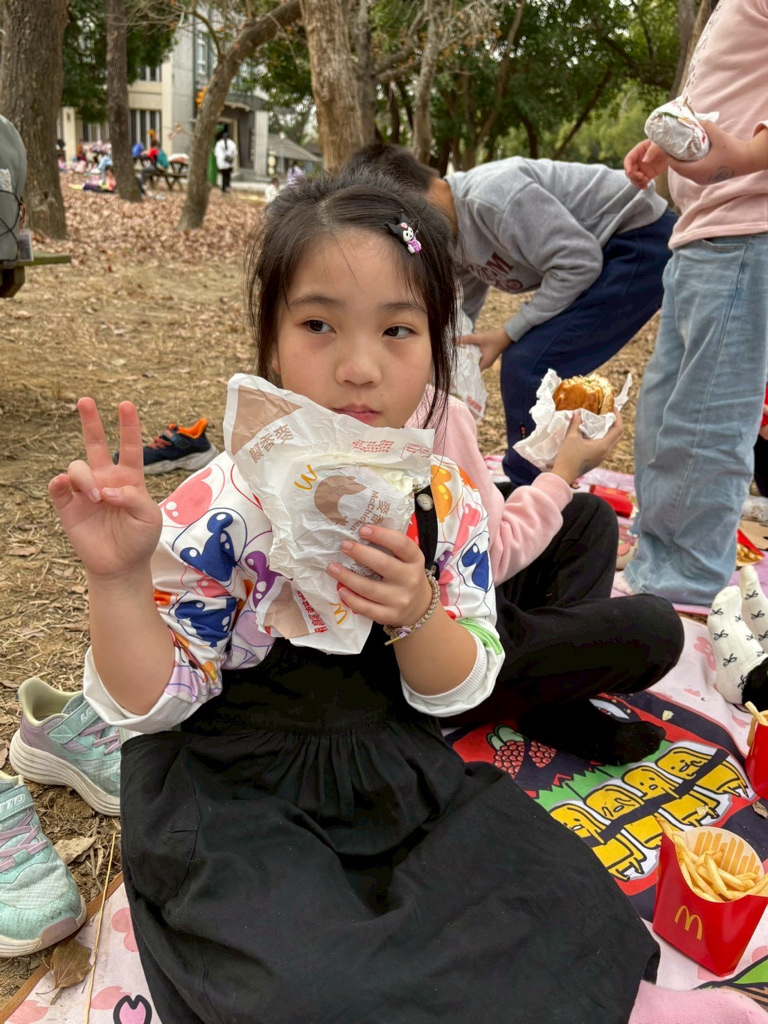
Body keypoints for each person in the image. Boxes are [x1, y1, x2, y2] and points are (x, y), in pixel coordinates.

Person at [49, 168, 663, 1023]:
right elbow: (154, 702)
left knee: (567, 909)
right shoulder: (224, 501)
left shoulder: (445, 501)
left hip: (387, 767)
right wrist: (118, 580)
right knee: (315, 992)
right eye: (318, 325)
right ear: (270, 343)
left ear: (438, 348)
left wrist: (418, 613)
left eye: (398, 330)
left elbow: (458, 687)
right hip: (230, 787)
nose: (360, 367)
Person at [345, 142, 677, 489]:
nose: (406, 240)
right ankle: (543, 475)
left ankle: (535, 489)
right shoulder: (449, 234)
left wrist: (506, 333)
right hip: (606, 253)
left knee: (527, 365)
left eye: (398, 227)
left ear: (408, 202)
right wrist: (442, 355)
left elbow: (579, 262)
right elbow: (462, 305)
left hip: (639, 240)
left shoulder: (492, 198)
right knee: (527, 363)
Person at [408, 390, 684, 763]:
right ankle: (551, 691)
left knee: (587, 516)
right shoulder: (437, 411)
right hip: (436, 670)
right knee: (657, 631)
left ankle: (555, 696)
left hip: (401, 625)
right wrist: (563, 473)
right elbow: (487, 559)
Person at [621, 0, 768, 609]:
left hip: (745, 229)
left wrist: (739, 155)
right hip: (702, 234)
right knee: (665, 415)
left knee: (705, 423)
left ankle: (684, 584)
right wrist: (674, 146)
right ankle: (659, 557)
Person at [214, 127, 236, 193]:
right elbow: (235, 153)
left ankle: (223, 189)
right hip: (229, 163)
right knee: (228, 176)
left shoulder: (218, 143)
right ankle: (227, 187)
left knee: (223, 176)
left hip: (221, 163)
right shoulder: (232, 143)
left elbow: (216, 153)